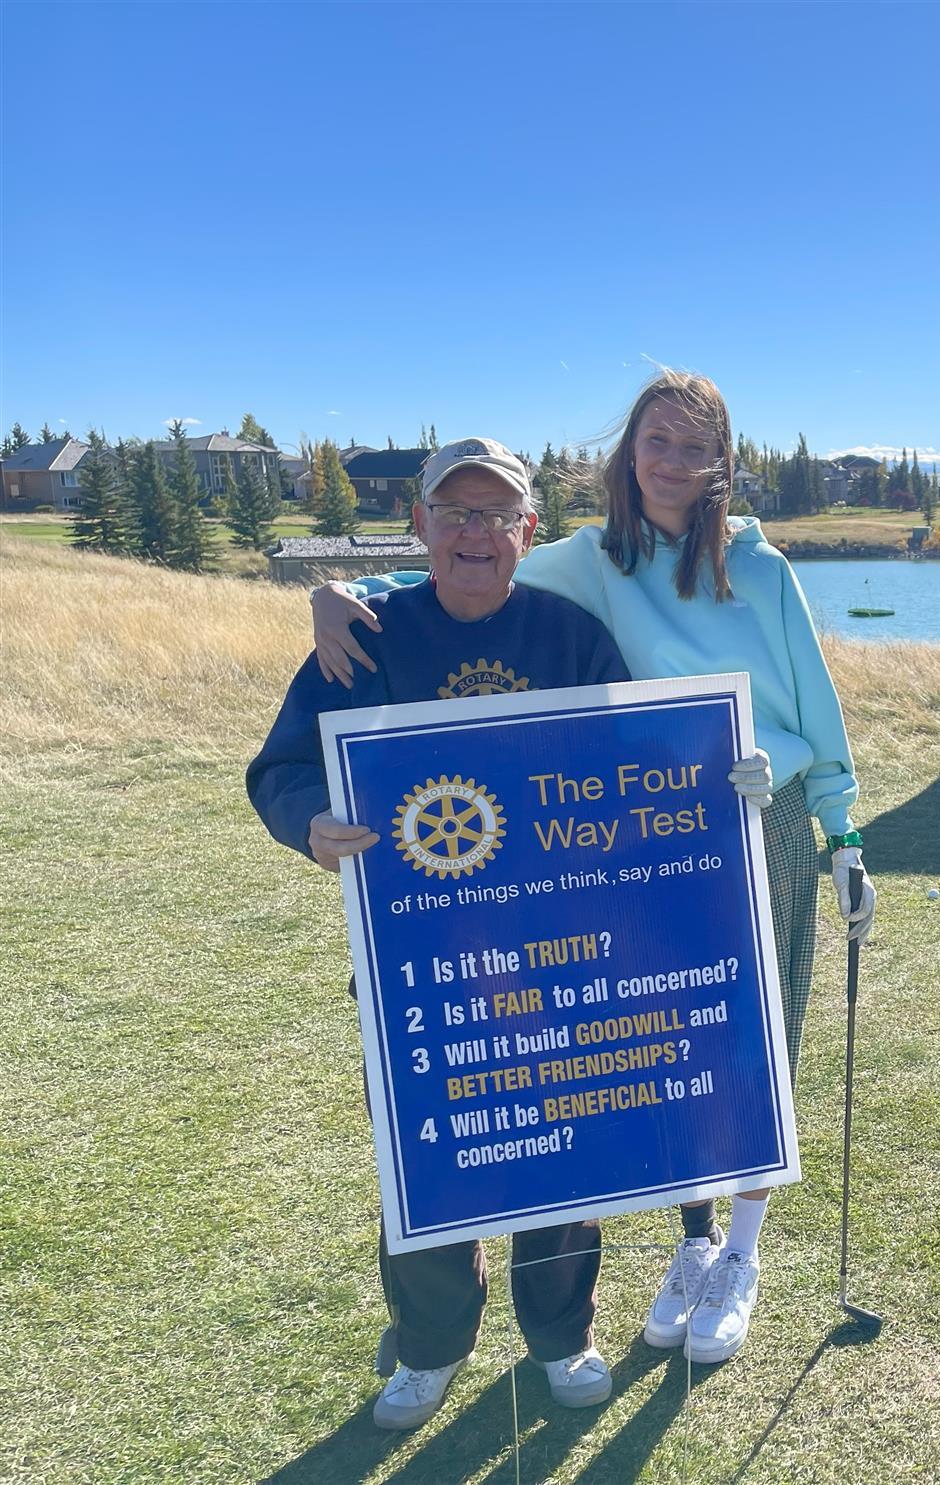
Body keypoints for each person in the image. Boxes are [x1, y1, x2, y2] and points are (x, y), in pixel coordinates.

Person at [308, 370, 878, 1366]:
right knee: (670, 1033)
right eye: (657, 442)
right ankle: (692, 1244)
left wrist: (842, 833)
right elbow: (472, 571)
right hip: (655, 834)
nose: (672, 463)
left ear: (721, 467)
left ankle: (741, 1251)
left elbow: (810, 715)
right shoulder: (590, 561)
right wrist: (343, 593)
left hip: (765, 815)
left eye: (695, 449)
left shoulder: (764, 569)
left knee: (756, 1034)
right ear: (630, 452)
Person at [248, 437, 647, 1430]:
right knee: (430, 1155)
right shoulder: (364, 641)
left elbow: (636, 765)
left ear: (528, 529)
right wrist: (309, 820)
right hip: (415, 959)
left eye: (495, 514)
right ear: (420, 526)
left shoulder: (570, 638)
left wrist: (721, 771)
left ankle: (562, 1337)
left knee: (560, 1151)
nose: (475, 531)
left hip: (552, 953)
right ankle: (428, 1349)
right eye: (454, 513)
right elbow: (281, 768)